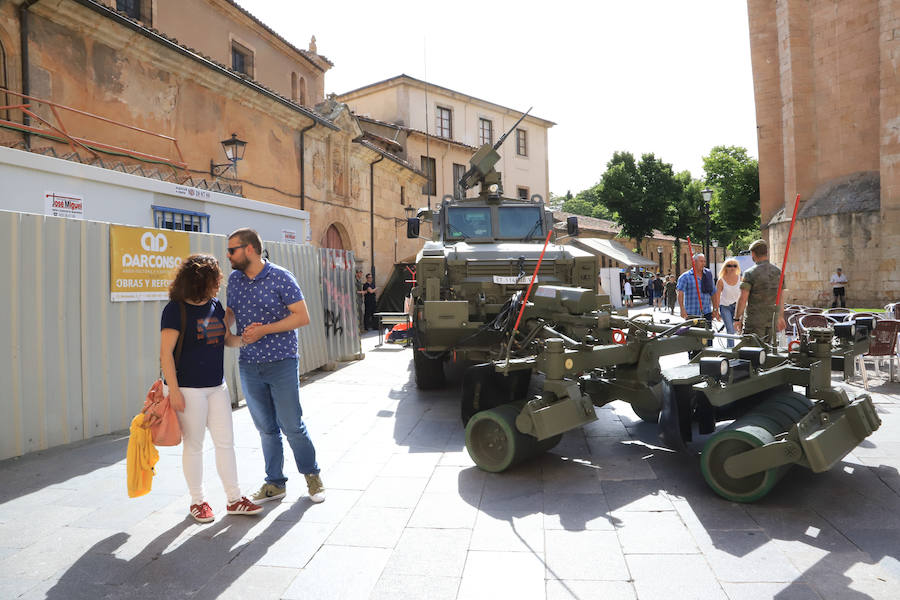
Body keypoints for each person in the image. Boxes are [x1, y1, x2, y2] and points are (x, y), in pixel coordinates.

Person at [160, 254, 263, 523]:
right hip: (188, 389)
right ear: (200, 281)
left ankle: (234, 499)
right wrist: (175, 391)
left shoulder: (215, 306)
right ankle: (198, 502)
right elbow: (165, 354)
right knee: (194, 446)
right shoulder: (175, 309)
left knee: (225, 443)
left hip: (217, 387)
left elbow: (224, 339)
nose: (219, 284)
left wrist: (245, 340)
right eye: (215, 279)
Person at [225, 228, 325, 504]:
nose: (228, 255)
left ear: (249, 249)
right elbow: (229, 316)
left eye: (232, 249)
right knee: (266, 428)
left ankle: (312, 476)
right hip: (249, 365)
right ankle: (274, 483)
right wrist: (226, 337)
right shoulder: (234, 281)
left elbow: (302, 317)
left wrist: (264, 330)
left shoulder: (281, 276)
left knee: (291, 424)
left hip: (282, 361)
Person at [735, 239, 785, 343]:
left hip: (754, 322)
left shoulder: (750, 273)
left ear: (753, 253)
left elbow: (743, 299)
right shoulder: (778, 272)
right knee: (767, 355)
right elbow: (780, 297)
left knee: (750, 354)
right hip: (771, 321)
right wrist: (780, 317)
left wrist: (737, 318)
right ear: (766, 252)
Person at [677, 253, 718, 348]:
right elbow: (680, 293)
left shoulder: (708, 275)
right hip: (692, 314)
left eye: (704, 261)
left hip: (706, 313)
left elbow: (713, 293)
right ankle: (693, 357)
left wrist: (715, 309)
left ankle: (707, 358)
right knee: (693, 339)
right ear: (694, 262)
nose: (703, 263)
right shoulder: (685, 277)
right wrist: (682, 309)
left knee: (707, 339)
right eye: (701, 261)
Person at [715, 259, 742, 348]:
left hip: (737, 307)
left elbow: (744, 294)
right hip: (725, 307)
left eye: (734, 266)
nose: (732, 268)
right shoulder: (721, 280)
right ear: (725, 267)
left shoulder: (740, 278)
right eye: (729, 266)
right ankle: (731, 350)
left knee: (738, 329)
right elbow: (717, 296)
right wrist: (716, 311)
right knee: (730, 330)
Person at [355, 268, 366, 333]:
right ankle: (359, 329)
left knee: (361, 314)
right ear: (357, 274)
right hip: (357, 299)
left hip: (360, 299)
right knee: (359, 314)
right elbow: (354, 290)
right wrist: (361, 292)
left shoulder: (359, 280)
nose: (361, 274)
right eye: (360, 273)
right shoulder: (355, 281)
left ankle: (361, 329)